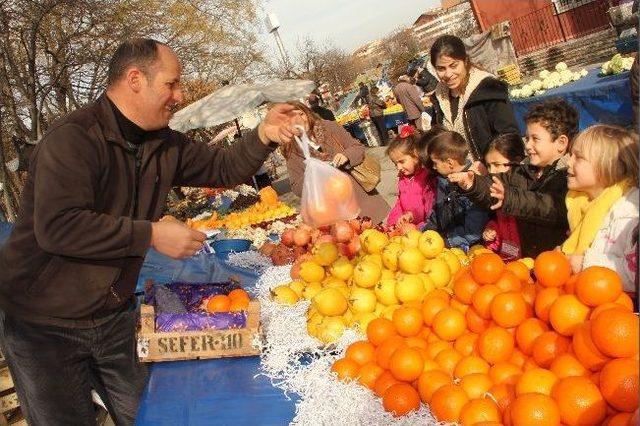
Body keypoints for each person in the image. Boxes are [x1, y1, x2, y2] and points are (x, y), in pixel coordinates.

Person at [0, 38, 298, 426]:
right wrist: (151, 235)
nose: (180, 95)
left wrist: (263, 135)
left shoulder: (163, 142)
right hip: (43, 326)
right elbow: (59, 227)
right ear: (135, 79)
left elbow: (223, 168)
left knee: (152, 415)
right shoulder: (72, 139)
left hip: (112, 314)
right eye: (172, 84)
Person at [449, 98, 579, 257]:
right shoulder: (521, 172)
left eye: (535, 139)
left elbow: (549, 207)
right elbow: (494, 187)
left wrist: (508, 198)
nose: (528, 145)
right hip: (525, 262)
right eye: (527, 138)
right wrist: (473, 184)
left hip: (555, 264)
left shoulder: (569, 178)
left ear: (561, 143)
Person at [281, 101, 390, 224]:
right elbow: (296, 187)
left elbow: (357, 147)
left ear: (304, 114)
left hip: (359, 197)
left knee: (377, 237)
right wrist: (314, 176)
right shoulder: (291, 148)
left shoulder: (329, 127)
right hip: (332, 211)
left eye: (300, 115)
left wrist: (346, 156)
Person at [562, 125, 638, 291]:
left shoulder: (628, 211)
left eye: (578, 157)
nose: (568, 162)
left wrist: (586, 262)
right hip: (587, 297)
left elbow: (634, 274)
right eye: (570, 155)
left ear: (608, 166)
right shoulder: (582, 203)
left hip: (619, 309)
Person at [429, 35, 519, 160]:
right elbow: (437, 137)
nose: (448, 74)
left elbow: (509, 137)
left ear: (465, 61)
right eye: (441, 69)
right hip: (456, 177)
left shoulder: (488, 89)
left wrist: (487, 164)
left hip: (490, 175)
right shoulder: (439, 97)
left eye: (454, 65)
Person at [422, 129, 490, 250]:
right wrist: (426, 232)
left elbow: (474, 229)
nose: (433, 167)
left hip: (466, 247)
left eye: (435, 163)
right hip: (442, 242)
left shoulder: (472, 186)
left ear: (450, 163)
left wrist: (447, 241)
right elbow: (437, 212)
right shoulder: (444, 180)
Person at [481, 133, 526, 260]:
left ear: (516, 162)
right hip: (508, 266)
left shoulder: (525, 196)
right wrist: (492, 231)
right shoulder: (496, 190)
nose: (491, 171)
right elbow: (507, 242)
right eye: (488, 166)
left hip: (533, 266)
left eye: (497, 164)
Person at [386, 126, 437, 229]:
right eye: (395, 164)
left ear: (416, 155)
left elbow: (430, 208)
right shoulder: (403, 178)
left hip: (424, 229)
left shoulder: (427, 178)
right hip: (407, 226)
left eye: (402, 161)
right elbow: (399, 203)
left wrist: (412, 216)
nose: (399, 167)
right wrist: (393, 222)